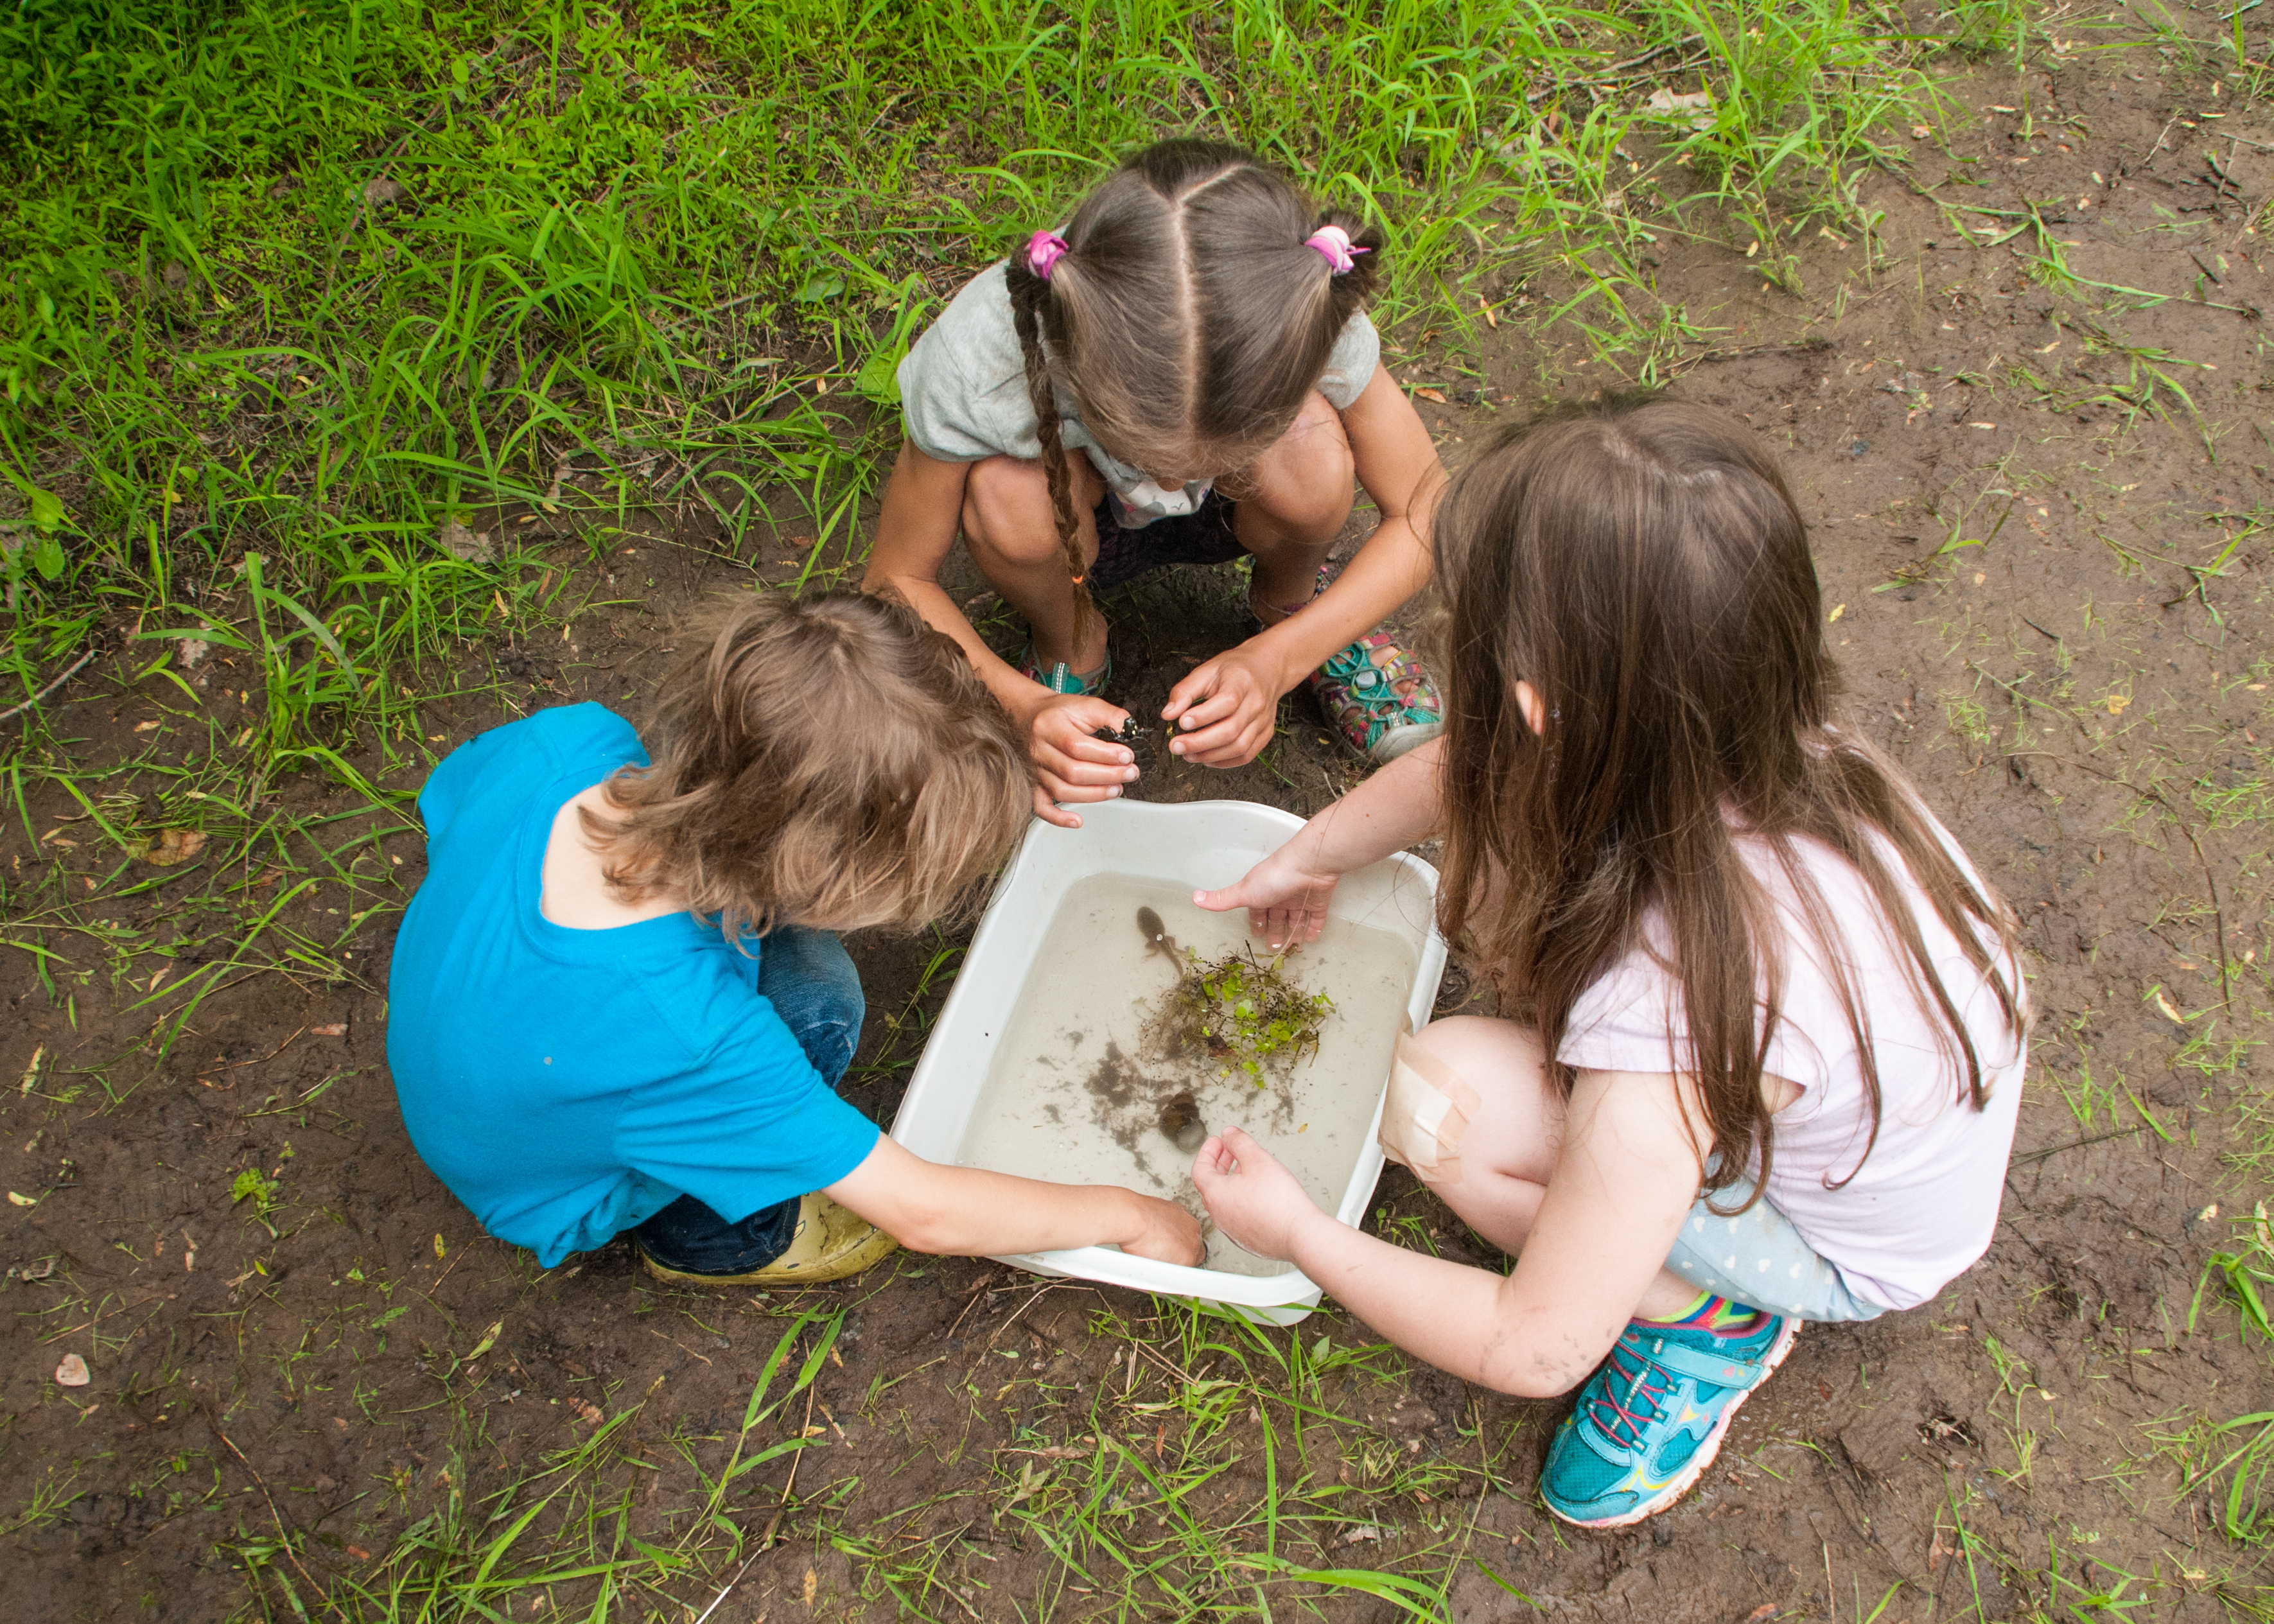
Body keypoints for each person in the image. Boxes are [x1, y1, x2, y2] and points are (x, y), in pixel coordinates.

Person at [1185, 399, 2029, 1528]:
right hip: (1858, 1116)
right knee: (1486, 1050)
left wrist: (1299, 1234)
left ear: (1541, 707)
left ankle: (1704, 1325)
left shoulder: (1670, 1014)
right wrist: (1308, 852)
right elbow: (1466, 767)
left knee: (1442, 1108)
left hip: (1837, 1242)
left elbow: (1531, 1341)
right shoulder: (1776, 746)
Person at [387, 591, 1202, 1285]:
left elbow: (449, 813)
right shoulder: (699, 1045)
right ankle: (718, 1240)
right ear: (824, 873)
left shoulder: (568, 742)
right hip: (549, 1185)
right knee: (817, 1003)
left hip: (473, 1035)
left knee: (786, 988)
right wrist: (1132, 1215)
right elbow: (922, 1210)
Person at [862, 138, 1446, 830]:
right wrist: (1026, 711)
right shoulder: (981, 358)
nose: (1174, 486)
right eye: (1143, 451)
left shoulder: (1296, 316)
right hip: (1069, 530)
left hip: (1246, 513)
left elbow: (1426, 509)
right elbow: (897, 578)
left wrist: (1280, 657)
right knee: (1005, 493)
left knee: (1312, 456)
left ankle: (1291, 607)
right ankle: (1067, 645)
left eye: (1216, 457)